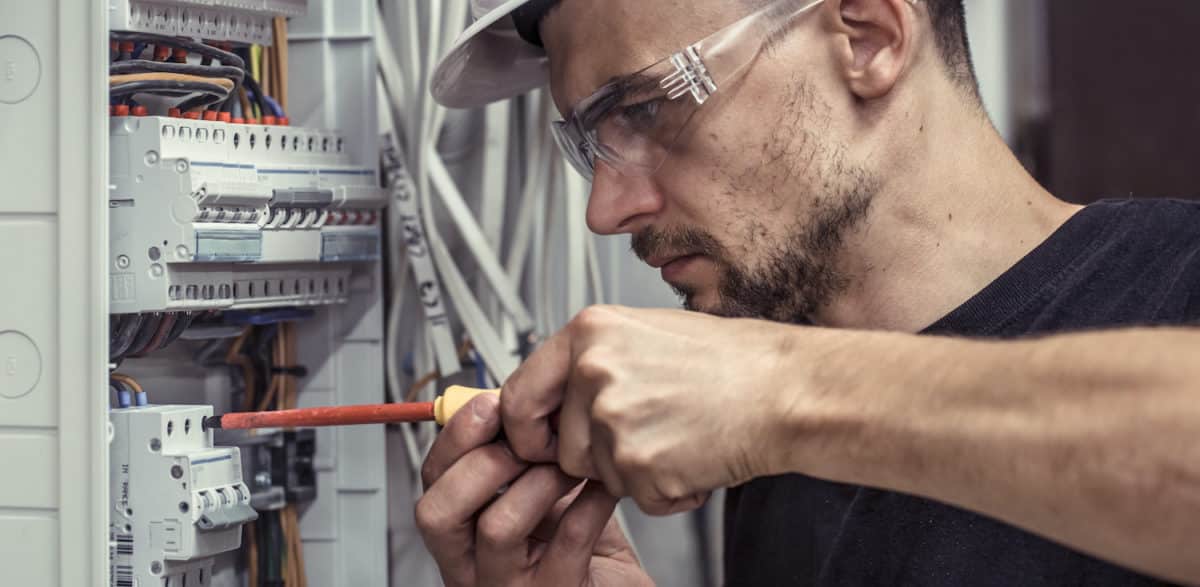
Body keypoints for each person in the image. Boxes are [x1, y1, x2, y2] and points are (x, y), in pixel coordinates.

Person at [419, 0, 1200, 585]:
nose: (605, 211)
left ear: (869, 37)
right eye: (591, 148)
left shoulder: (1180, 277)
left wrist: (780, 393)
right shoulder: (772, 455)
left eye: (646, 107)